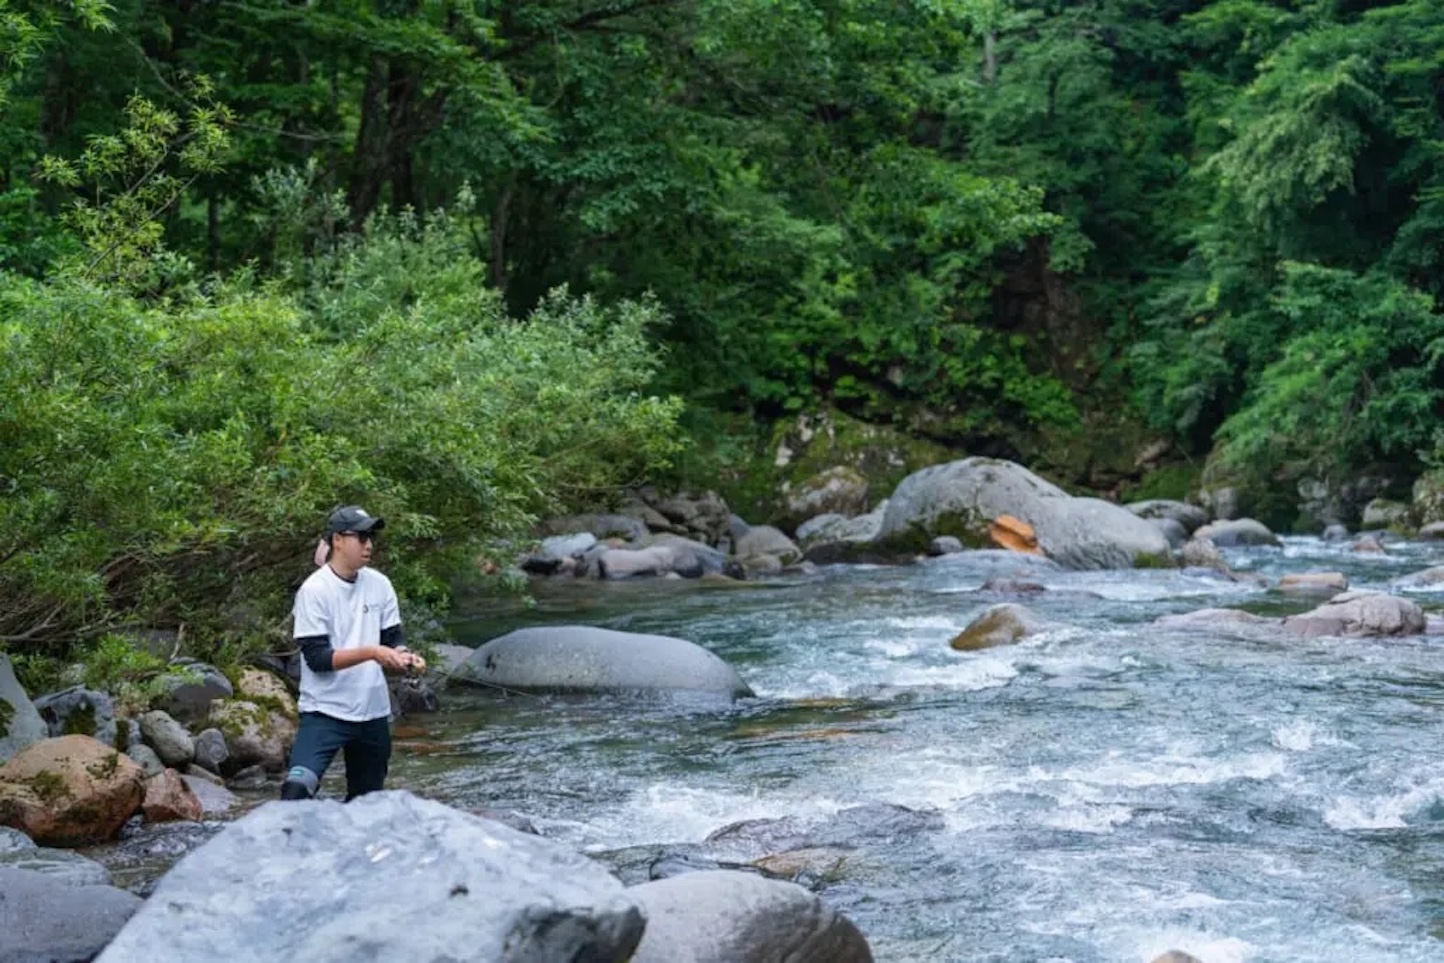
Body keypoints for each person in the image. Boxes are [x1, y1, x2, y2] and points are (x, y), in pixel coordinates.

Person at [280, 505, 426, 801]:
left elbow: (393, 637)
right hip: (324, 712)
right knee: (296, 790)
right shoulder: (314, 591)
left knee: (367, 805)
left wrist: (405, 657)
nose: (369, 544)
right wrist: (372, 652)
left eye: (371, 536)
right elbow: (318, 659)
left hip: (372, 713)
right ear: (337, 540)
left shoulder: (380, 584)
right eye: (361, 537)